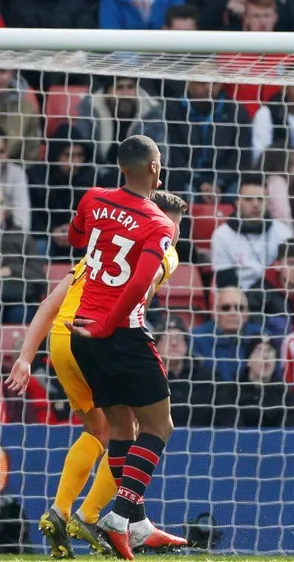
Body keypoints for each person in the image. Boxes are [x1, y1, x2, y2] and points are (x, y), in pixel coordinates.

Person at [4, 190, 190, 557]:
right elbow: (143, 290)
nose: (178, 232)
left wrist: (26, 357)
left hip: (63, 338)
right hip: (108, 334)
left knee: (100, 430)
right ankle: (96, 515)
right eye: (179, 225)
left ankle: (61, 511)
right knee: (141, 428)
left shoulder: (100, 249)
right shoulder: (164, 245)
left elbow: (49, 303)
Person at [63, 135, 180, 561]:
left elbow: (75, 238)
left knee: (121, 430)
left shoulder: (93, 197)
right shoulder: (158, 223)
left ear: (119, 167)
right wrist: (109, 325)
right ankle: (119, 517)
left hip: (81, 335)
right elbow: (138, 284)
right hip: (119, 335)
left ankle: (137, 525)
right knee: (158, 427)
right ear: (154, 167)